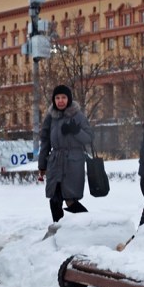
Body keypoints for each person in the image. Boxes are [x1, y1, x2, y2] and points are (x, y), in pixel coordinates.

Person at [38, 85, 94, 221]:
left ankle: (90, 225)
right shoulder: (51, 117)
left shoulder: (78, 116)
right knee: (54, 200)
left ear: (69, 99)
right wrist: (42, 165)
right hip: (55, 162)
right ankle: (58, 230)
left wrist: (75, 131)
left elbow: (89, 138)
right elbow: (45, 141)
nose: (60, 101)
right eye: (57, 98)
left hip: (72, 164)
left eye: (63, 97)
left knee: (70, 200)